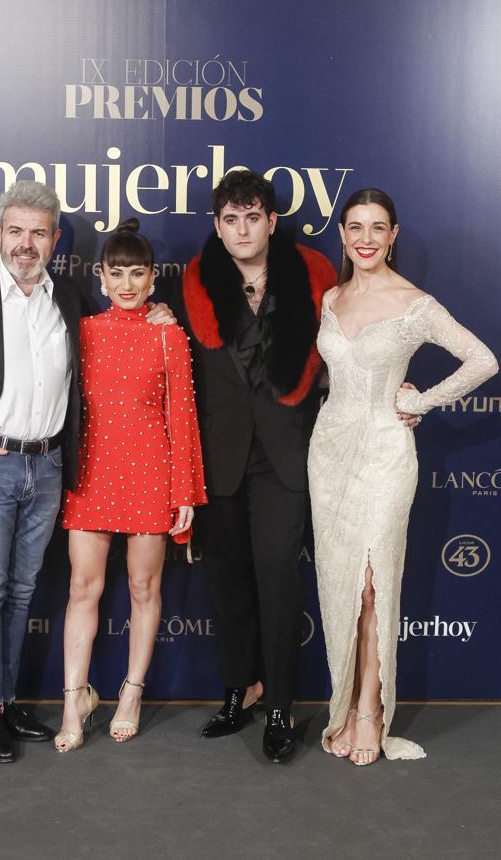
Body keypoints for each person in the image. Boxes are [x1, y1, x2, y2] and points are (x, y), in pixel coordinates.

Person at [0, 182, 172, 763]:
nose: (25, 243)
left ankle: (4, 700)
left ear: (55, 239)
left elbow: (120, 325)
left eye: (38, 232)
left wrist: (158, 312)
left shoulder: (73, 297)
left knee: (22, 590)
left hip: (51, 465)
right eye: (15, 230)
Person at [308, 187, 498, 766]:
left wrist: (422, 401)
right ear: (342, 234)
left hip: (387, 454)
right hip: (330, 451)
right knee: (342, 585)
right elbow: (337, 377)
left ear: (393, 235)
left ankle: (370, 713)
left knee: (372, 585)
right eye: (355, 227)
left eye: (378, 228)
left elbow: (484, 360)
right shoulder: (331, 298)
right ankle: (342, 709)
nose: (365, 238)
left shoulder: (416, 303)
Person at [174, 170, 337, 762]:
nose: (242, 229)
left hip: (285, 455)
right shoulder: (192, 282)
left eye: (252, 217)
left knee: (277, 579)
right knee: (228, 584)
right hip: (220, 458)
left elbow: (350, 350)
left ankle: (280, 708)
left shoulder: (314, 275)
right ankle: (239, 692)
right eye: (230, 219)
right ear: (217, 227)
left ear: (271, 221)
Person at [55, 219, 206, 753]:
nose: (125, 284)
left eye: (136, 274)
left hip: (151, 475)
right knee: (82, 589)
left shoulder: (169, 336)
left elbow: (182, 418)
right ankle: (75, 698)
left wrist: (185, 491)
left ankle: (131, 693)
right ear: (99, 278)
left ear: (151, 280)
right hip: (92, 473)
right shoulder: (84, 332)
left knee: (145, 590)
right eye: (115, 273)